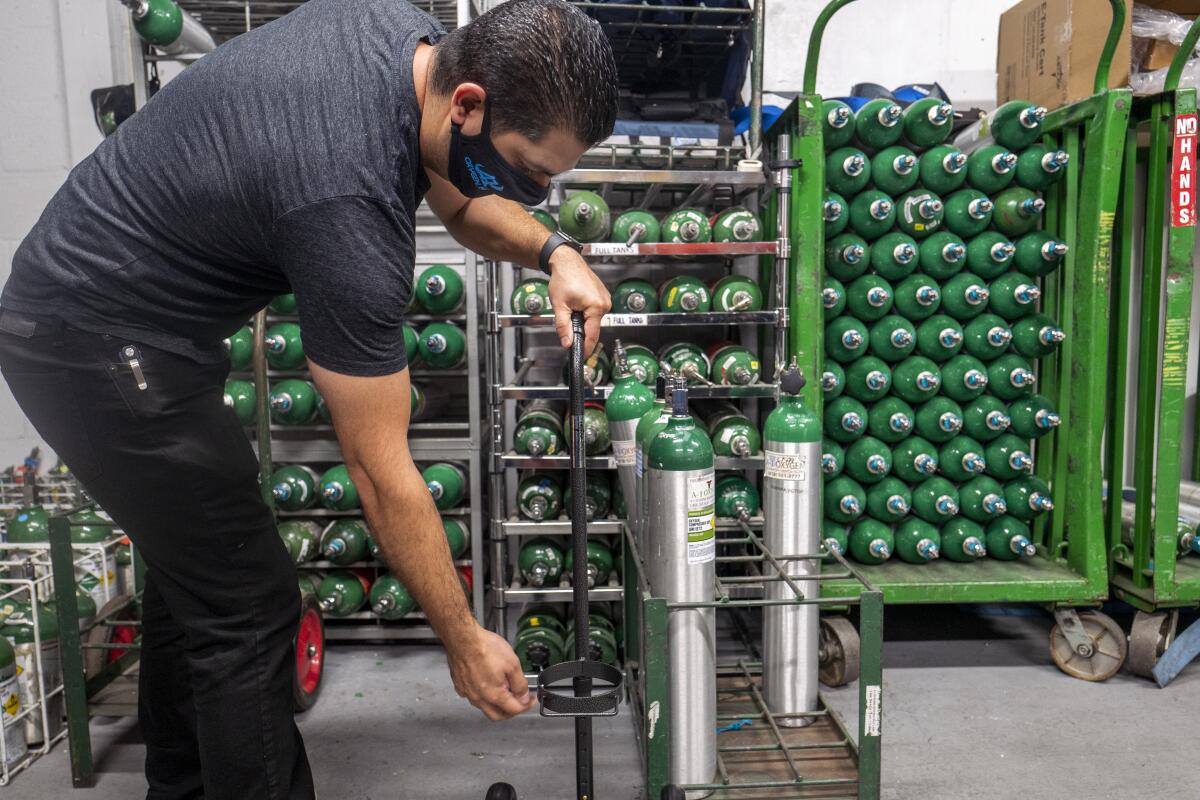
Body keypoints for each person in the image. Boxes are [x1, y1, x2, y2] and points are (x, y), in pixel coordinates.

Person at [0, 0, 617, 796]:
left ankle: (181, 786)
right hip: (88, 343)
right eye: (529, 174)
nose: (533, 191)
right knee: (251, 608)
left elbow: (462, 201)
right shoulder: (346, 209)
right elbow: (377, 468)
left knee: (196, 576)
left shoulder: (408, 46)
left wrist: (556, 251)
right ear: (467, 104)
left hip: (124, 325)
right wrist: (463, 638)